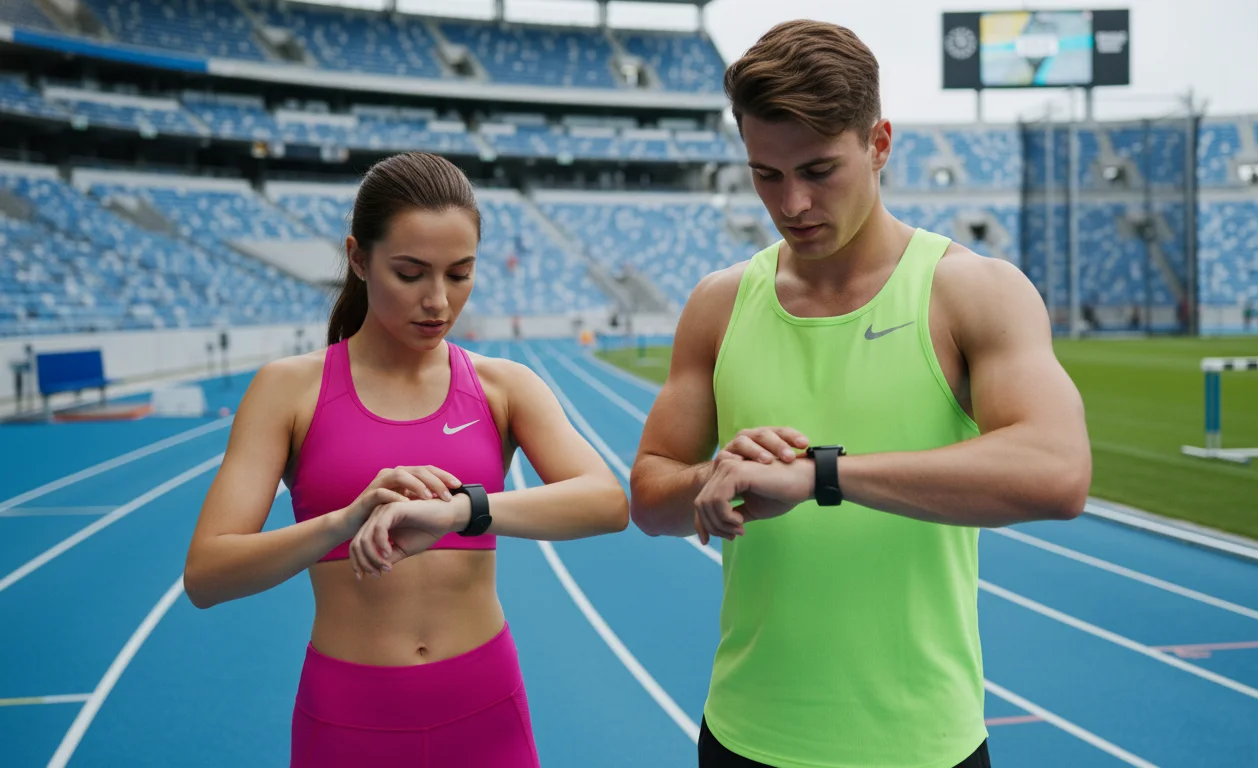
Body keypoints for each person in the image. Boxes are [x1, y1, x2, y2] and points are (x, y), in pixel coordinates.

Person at [629, 21, 1091, 768]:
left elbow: (1058, 473)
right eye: (766, 174)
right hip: (744, 733)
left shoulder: (970, 292)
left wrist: (820, 476)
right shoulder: (719, 303)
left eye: (819, 169)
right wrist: (712, 484)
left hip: (920, 744)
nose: (793, 202)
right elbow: (650, 498)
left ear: (878, 144)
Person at [184, 152, 629, 767]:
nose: (438, 301)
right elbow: (206, 575)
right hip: (348, 717)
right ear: (359, 258)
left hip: (485, 709)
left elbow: (607, 502)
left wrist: (459, 513)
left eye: (460, 274)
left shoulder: (503, 386)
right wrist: (343, 521)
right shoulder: (289, 390)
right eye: (412, 272)